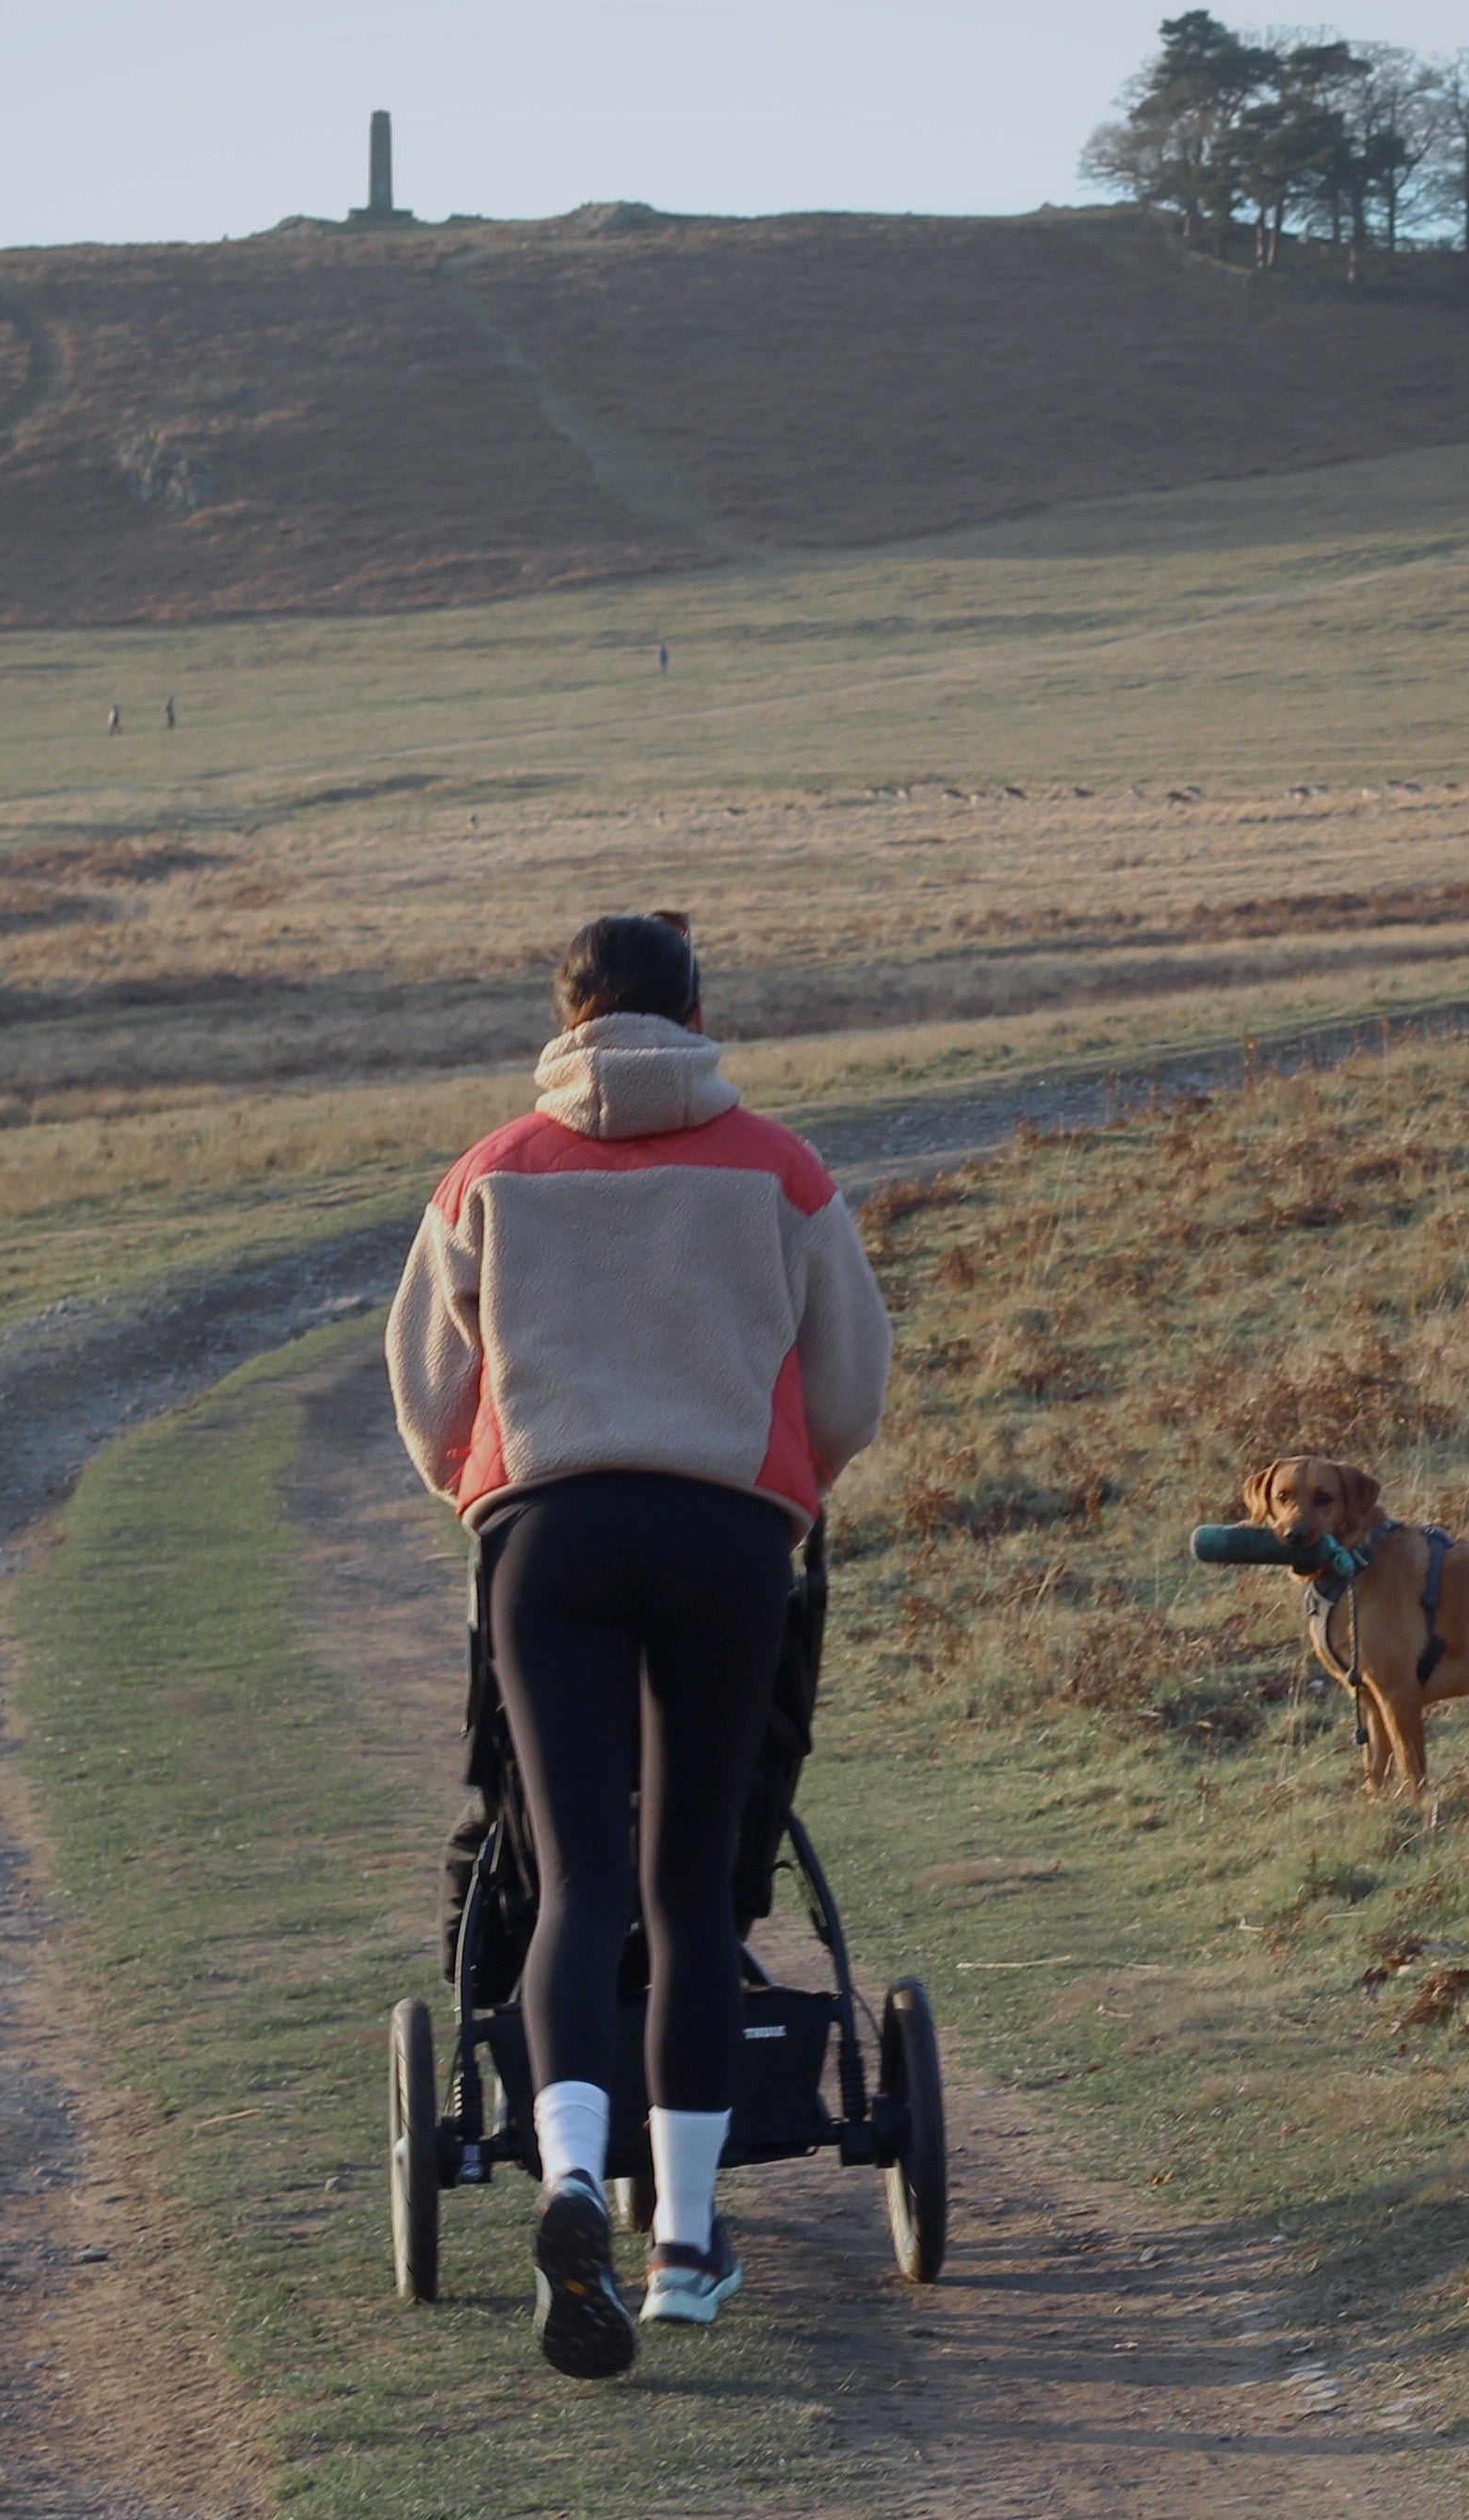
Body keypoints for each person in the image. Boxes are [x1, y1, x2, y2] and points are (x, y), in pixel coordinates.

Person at [388, 911, 893, 2378]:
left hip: (546, 1540)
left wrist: (489, 1499)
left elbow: (429, 1393)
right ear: (694, 1012)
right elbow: (851, 1377)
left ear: (568, 1017)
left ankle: (563, 2184)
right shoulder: (779, 1166)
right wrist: (786, 1492)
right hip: (727, 1539)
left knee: (574, 1878)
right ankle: (682, 2246)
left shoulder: (489, 1172)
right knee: (686, 1893)